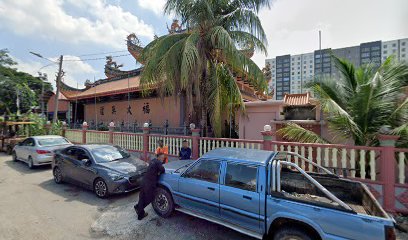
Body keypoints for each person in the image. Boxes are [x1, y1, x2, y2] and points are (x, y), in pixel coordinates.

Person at [134, 152, 166, 220]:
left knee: (142, 197)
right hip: (149, 183)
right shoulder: (158, 162)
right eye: (162, 157)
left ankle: (140, 212)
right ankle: (139, 208)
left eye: (163, 158)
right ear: (158, 157)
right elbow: (163, 170)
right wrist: (159, 172)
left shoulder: (152, 161)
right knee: (150, 198)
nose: (163, 159)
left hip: (144, 181)